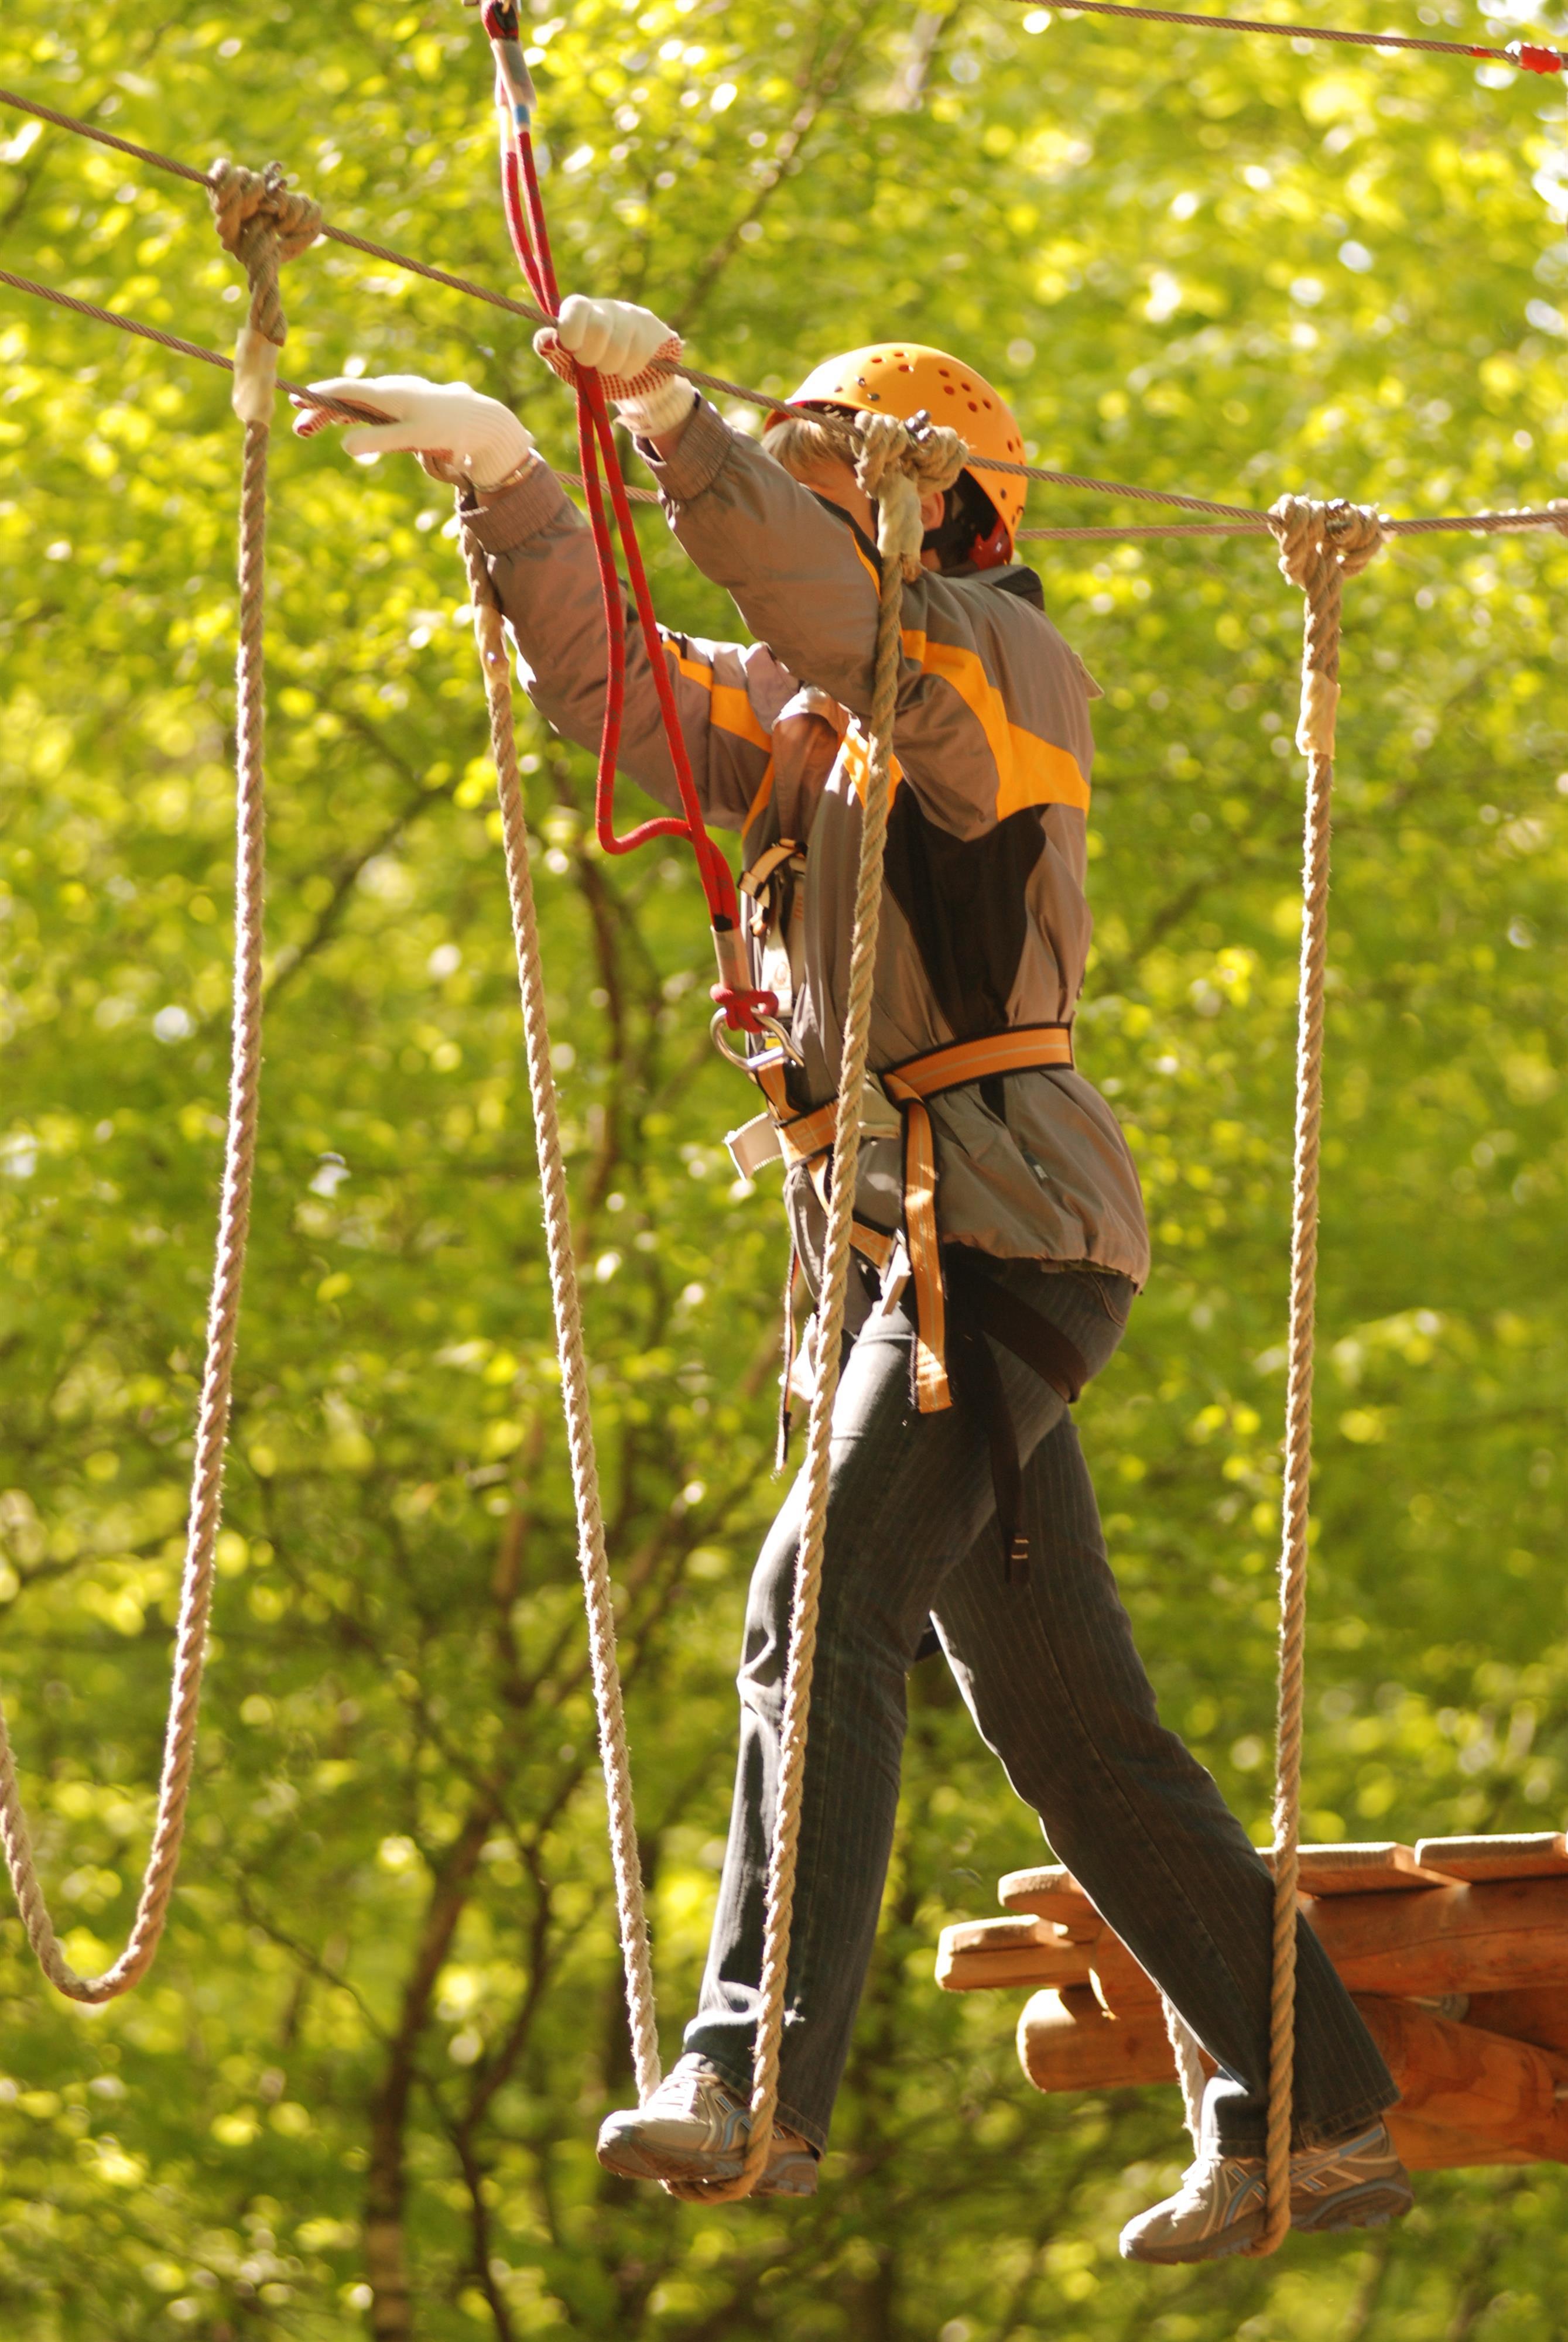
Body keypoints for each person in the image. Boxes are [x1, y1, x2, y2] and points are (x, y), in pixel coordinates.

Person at [299, 296, 1412, 2261]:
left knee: (814, 1608)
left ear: (936, 516)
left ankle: (752, 2075)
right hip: (914, 1247)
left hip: (994, 1225)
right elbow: (619, 688)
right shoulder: (817, 726)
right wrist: (509, 480)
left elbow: (840, 621)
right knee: (1065, 1720)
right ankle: (1314, 2108)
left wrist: (675, 426)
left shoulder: (1001, 670)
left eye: (833, 496)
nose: (803, 536)